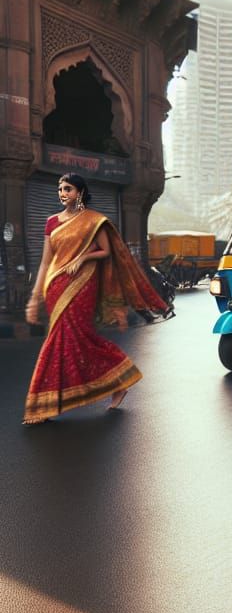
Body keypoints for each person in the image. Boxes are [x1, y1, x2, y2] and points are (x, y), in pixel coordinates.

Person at [23, 173, 168, 425]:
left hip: (82, 285)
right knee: (64, 342)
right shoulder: (51, 223)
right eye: (59, 189)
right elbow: (46, 261)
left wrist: (83, 258)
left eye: (67, 188)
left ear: (79, 192)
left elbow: (106, 250)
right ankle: (111, 382)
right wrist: (34, 298)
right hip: (55, 287)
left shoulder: (93, 221)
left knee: (75, 338)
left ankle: (45, 404)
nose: (62, 193)